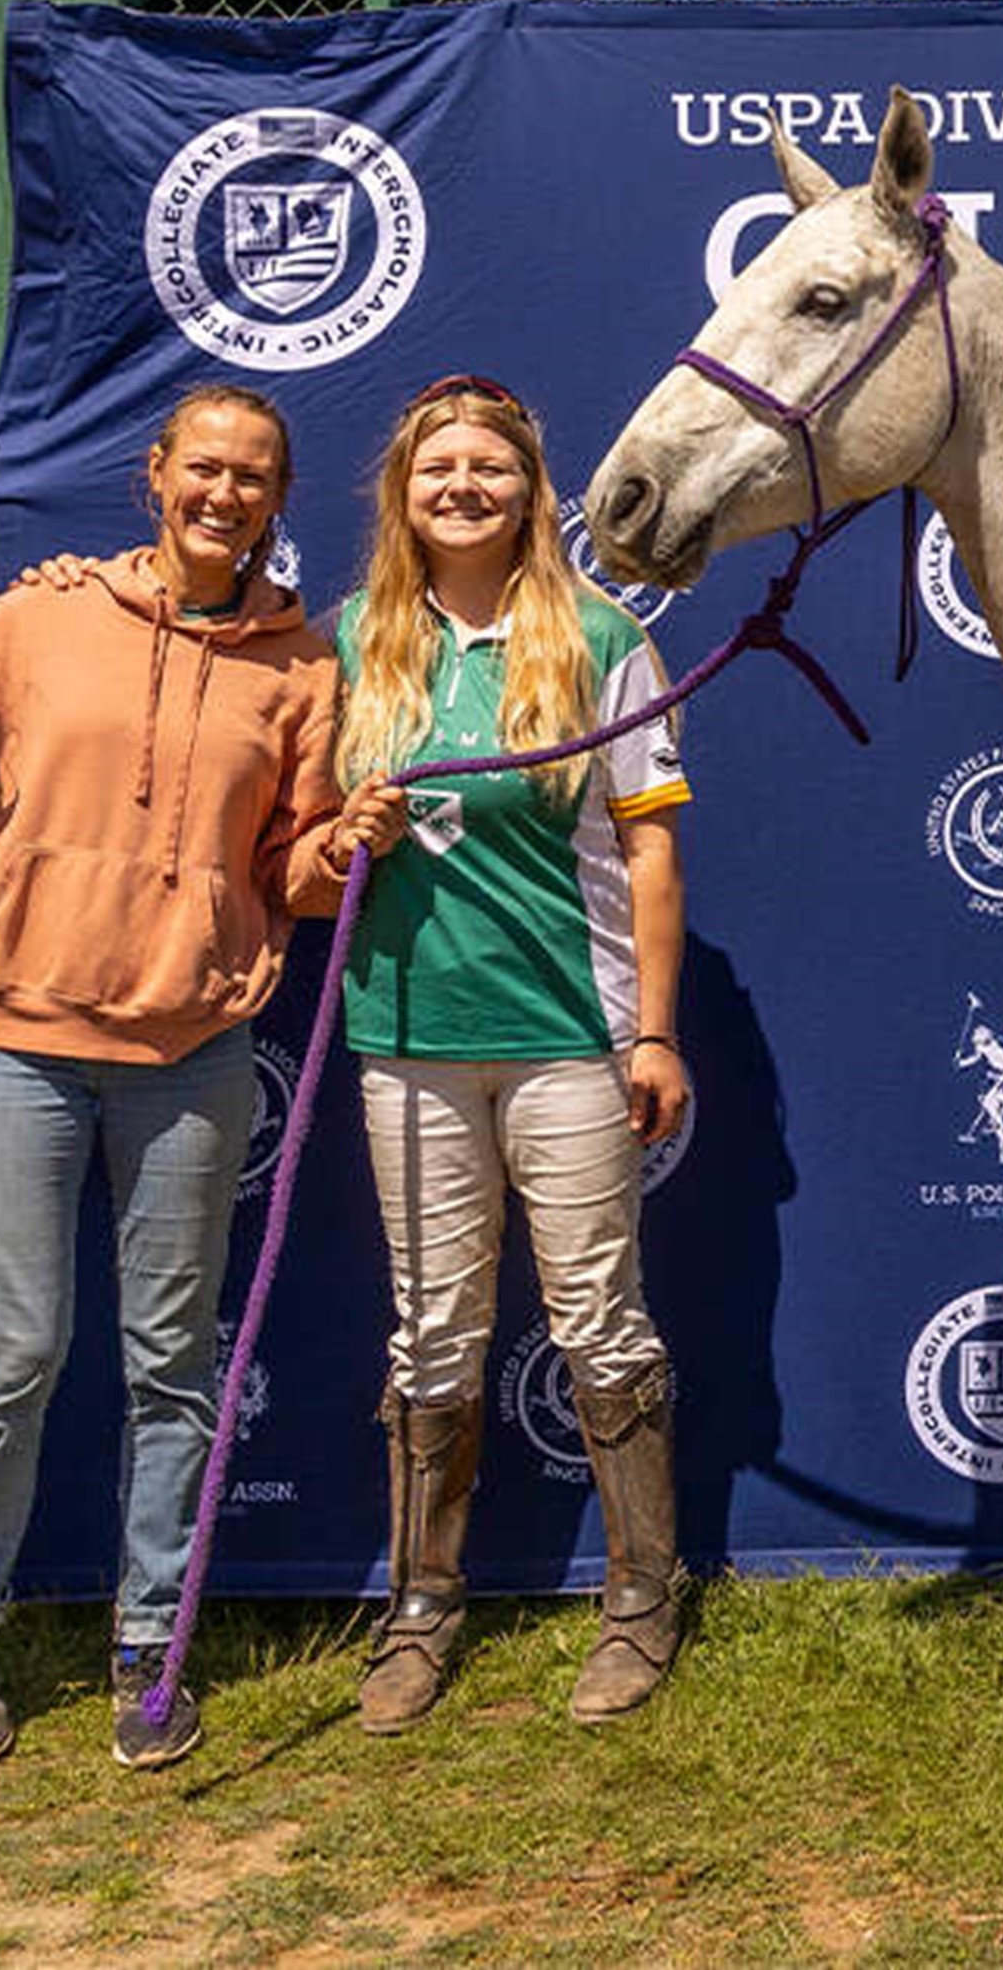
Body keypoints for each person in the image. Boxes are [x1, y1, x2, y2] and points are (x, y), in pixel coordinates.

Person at [0, 382, 386, 1771]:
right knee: (12, 1360)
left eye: (253, 476)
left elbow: (290, 878)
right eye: (204, 467)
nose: (224, 493)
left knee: (173, 1366)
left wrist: (345, 841)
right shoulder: (28, 620)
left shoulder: (302, 666)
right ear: (155, 476)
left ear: (275, 502)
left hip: (192, 1054)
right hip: (20, 1041)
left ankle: (147, 1645)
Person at [332, 375, 692, 1734]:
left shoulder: (600, 635)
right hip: (408, 1039)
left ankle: (640, 1602)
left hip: (568, 1040)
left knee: (599, 1320)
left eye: (489, 467)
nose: (463, 487)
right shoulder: (354, 641)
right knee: (431, 1330)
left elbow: (653, 847)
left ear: (528, 490)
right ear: (402, 493)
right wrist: (337, 837)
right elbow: (306, 861)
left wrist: (653, 1031)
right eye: (439, 469)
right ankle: (421, 1616)